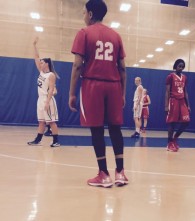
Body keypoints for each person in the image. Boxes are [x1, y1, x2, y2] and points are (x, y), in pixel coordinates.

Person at [69, 0, 128, 188]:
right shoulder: (116, 35)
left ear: (91, 14)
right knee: (115, 128)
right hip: (114, 86)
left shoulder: (84, 33)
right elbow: (123, 68)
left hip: (93, 85)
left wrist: (71, 93)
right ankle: (120, 172)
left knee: (97, 129)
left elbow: (78, 65)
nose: (83, 16)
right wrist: (123, 93)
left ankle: (103, 174)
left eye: (84, 13)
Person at [27, 37, 60, 147]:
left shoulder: (51, 75)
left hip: (47, 100)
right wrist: (34, 45)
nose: (40, 63)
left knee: (51, 122)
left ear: (47, 64)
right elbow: (36, 57)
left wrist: (47, 102)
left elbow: (51, 89)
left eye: (42, 62)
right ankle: (38, 140)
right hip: (40, 99)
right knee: (41, 121)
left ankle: (56, 141)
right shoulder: (41, 72)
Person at [165, 59, 190, 152]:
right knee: (172, 123)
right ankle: (169, 143)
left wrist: (188, 105)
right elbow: (167, 91)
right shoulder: (170, 76)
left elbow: (185, 92)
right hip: (173, 100)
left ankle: (174, 138)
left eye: (183, 66)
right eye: (179, 66)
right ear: (175, 66)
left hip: (182, 101)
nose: (181, 68)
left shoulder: (184, 77)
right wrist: (166, 105)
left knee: (186, 122)